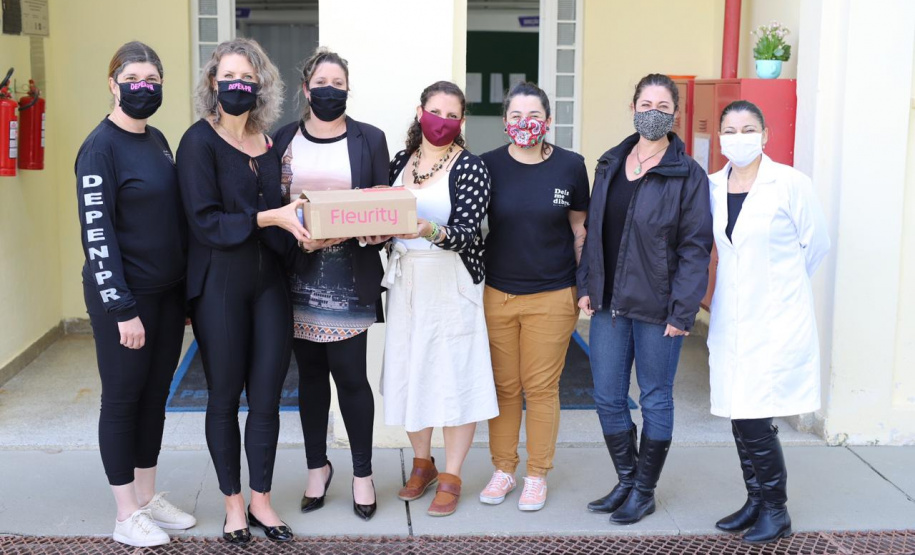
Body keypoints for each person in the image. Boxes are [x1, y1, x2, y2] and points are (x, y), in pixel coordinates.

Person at [177, 38, 308, 544]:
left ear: (261, 86)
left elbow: (278, 216)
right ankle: (233, 504)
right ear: (213, 83)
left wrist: (300, 222)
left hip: (270, 283)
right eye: (229, 76)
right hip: (220, 286)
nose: (239, 85)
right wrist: (269, 216)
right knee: (225, 398)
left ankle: (262, 501)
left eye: (248, 78)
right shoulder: (197, 142)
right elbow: (205, 221)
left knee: (269, 400)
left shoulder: (268, 142)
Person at [75, 41, 196, 548]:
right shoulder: (98, 148)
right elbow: (96, 233)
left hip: (167, 297)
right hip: (125, 300)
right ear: (113, 84)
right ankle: (125, 512)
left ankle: (146, 498)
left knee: (155, 400)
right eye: (134, 80)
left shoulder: (157, 139)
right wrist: (122, 307)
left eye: (152, 80)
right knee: (123, 401)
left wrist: (185, 295)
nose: (144, 89)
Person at [577, 73, 713, 524]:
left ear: (675, 113)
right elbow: (593, 232)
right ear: (632, 106)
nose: (652, 112)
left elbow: (695, 247)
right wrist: (586, 286)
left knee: (654, 398)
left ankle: (645, 489)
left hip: (659, 309)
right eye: (645, 102)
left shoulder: (687, 173)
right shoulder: (611, 162)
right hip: (609, 305)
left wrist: (684, 309)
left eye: (662, 105)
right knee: (608, 396)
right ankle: (627, 479)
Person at [272, 47, 388, 521]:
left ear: (347, 90)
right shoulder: (281, 139)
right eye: (322, 82)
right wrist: (297, 240)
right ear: (306, 88)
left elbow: (382, 203)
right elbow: (274, 205)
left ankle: (363, 473)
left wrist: (376, 230)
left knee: (352, 377)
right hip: (296, 272)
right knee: (311, 379)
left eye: (339, 83)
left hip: (350, 274)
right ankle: (317, 467)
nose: (330, 90)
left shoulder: (369, 139)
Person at [707, 100, 830, 544]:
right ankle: (755, 500)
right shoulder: (712, 186)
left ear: (765, 135)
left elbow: (816, 246)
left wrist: (779, 290)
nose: (738, 137)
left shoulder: (790, 184)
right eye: (730, 129)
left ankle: (776, 510)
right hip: (732, 317)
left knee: (757, 416)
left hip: (776, 319)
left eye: (748, 128)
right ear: (720, 137)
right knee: (741, 413)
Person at [382, 81, 499, 517]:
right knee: (412, 372)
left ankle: (451, 474)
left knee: (454, 376)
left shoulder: (471, 167)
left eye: (452, 115)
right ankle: (422, 464)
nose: (442, 121)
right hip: (406, 283)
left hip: (451, 284)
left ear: (462, 122)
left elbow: (470, 232)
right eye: (436, 111)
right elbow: (383, 216)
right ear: (420, 112)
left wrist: (427, 229)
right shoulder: (399, 161)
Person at [478, 82, 589, 511]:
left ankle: (537, 474)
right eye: (517, 116)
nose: (526, 124)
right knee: (504, 388)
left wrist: (585, 287)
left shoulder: (570, 166)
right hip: (498, 293)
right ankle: (504, 469)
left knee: (540, 389)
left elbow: (580, 229)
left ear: (548, 120)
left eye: (534, 116)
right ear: (505, 121)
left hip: (553, 293)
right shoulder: (487, 166)